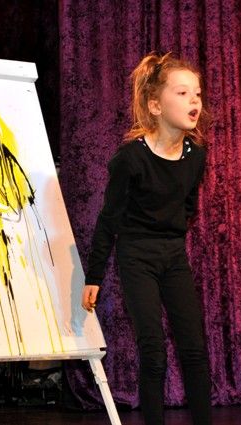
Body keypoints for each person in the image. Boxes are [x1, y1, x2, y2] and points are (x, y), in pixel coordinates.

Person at [81, 52, 212, 425]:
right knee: (153, 351)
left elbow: (187, 206)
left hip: (173, 255)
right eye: (183, 93)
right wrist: (94, 276)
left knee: (194, 349)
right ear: (155, 105)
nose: (194, 101)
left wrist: (172, 232)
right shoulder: (130, 159)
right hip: (136, 256)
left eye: (197, 94)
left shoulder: (196, 155)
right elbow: (109, 218)